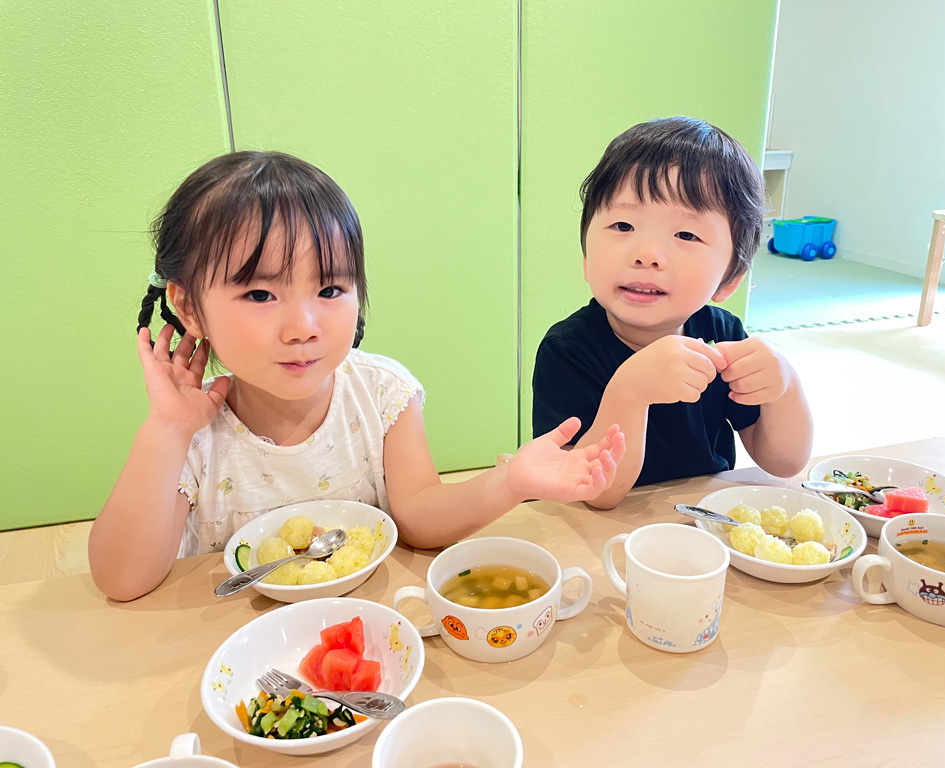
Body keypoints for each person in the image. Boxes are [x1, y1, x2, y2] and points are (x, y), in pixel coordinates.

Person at [90, 151, 625, 601]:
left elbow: (419, 516)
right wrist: (166, 430)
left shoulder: (381, 393)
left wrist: (510, 482)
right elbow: (122, 580)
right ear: (187, 306)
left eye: (329, 291)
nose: (303, 327)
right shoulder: (193, 433)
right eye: (259, 294)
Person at [532, 116, 811, 509]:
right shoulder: (568, 348)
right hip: (603, 534)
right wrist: (629, 392)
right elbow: (597, 494)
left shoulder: (723, 335)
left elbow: (784, 463)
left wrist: (785, 384)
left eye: (686, 235)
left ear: (729, 281)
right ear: (586, 258)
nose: (646, 255)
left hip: (704, 521)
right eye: (623, 224)